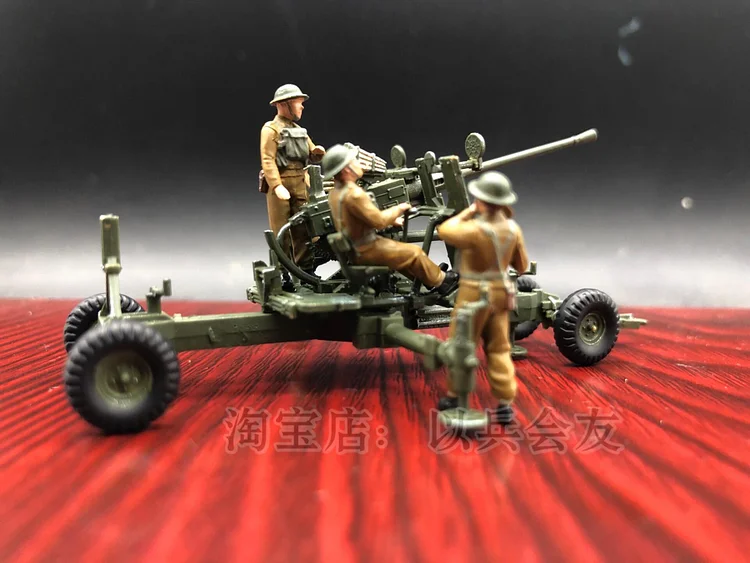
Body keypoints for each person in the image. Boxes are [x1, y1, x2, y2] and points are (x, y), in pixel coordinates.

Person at [435, 170, 530, 425]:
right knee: (499, 348)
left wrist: (467, 212)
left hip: (472, 291)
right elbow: (522, 266)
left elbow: (445, 230)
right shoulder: (513, 230)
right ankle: (505, 403)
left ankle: (456, 396)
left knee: (460, 344)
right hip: (500, 292)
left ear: (482, 201)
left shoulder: (474, 229)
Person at [321, 144, 459, 295]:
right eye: (354, 161)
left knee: (401, 255)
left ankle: (427, 278)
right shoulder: (354, 195)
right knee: (415, 253)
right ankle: (442, 281)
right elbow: (379, 221)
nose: (359, 164)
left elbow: (359, 219)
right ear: (347, 170)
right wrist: (399, 209)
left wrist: (392, 220)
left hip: (356, 247)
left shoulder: (335, 194)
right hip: (366, 248)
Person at [259, 84, 326, 282]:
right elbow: (268, 159)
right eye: (298, 103)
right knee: (281, 230)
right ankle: (283, 273)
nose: (302, 107)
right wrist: (276, 185)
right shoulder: (271, 130)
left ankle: (306, 269)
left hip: (300, 181)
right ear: (284, 104)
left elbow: (312, 153)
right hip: (281, 183)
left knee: (303, 228)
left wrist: (317, 153)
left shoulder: (299, 131)